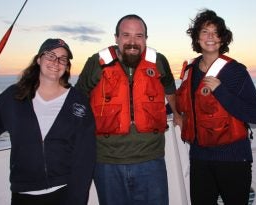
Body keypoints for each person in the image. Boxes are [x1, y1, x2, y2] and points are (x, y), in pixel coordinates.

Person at [75, 14, 182, 205]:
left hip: (151, 159)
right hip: (107, 162)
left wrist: (177, 113)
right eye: (126, 35)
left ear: (146, 39)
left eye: (139, 36)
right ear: (116, 37)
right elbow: (78, 100)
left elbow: (169, 88)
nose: (132, 42)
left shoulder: (159, 61)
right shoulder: (96, 62)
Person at [0, 38, 96, 205]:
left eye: (63, 58)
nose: (56, 62)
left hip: (64, 191)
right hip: (23, 193)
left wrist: (78, 198)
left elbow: (85, 157)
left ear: (67, 65)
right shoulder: (13, 97)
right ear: (38, 59)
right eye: (50, 55)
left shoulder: (78, 102)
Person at [175, 9, 256, 205]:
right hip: (199, 158)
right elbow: (183, 102)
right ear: (197, 38)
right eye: (205, 32)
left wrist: (220, 90)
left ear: (222, 39)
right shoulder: (189, 71)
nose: (211, 37)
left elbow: (254, 114)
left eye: (216, 33)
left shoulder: (235, 71)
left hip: (232, 158)